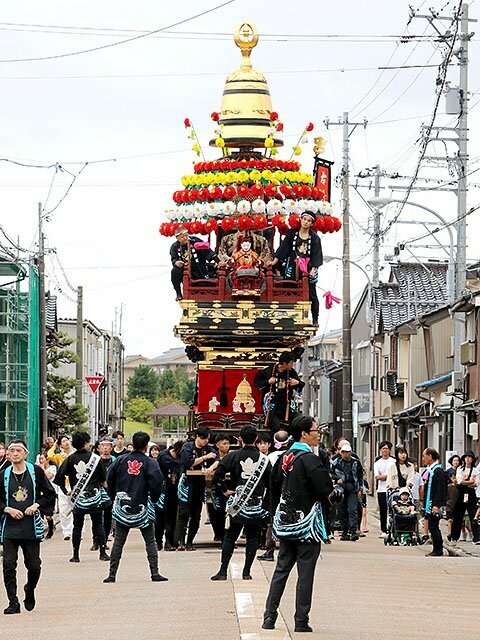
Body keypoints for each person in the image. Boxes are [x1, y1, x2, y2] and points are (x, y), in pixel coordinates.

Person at [262, 416, 332, 633]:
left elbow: (272, 491)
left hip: (285, 524)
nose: (318, 433)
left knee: (281, 570)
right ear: (304, 433)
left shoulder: (284, 457)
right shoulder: (310, 460)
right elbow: (325, 489)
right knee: (305, 573)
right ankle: (301, 621)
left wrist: (275, 520)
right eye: (315, 430)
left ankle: (269, 617)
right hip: (307, 527)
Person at [103, 431, 166, 583]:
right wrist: (155, 499)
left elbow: (109, 478)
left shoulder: (120, 460)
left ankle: (112, 574)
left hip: (122, 504)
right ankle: (154, 572)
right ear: (146, 446)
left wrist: (114, 496)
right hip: (142, 504)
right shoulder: (151, 463)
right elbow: (158, 482)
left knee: (119, 541)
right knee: (150, 540)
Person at [0, 440, 56, 614]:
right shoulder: (3, 475)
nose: (15, 454)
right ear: (7, 455)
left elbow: (49, 494)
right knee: (8, 565)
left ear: (26, 453)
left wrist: (36, 505)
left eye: (18, 450)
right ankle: (13, 602)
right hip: (9, 526)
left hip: (30, 526)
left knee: (34, 566)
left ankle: (29, 589)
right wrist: (7, 509)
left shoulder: (36, 472)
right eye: (11, 451)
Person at [211, 426, 270, 581]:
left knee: (231, 536)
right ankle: (246, 572)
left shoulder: (233, 456)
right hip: (256, 503)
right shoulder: (264, 460)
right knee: (253, 537)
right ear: (256, 439)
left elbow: (217, 476)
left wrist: (224, 490)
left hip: (239, 504)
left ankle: (223, 571)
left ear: (240, 439)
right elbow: (272, 483)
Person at [54, 431, 109, 563]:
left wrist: (66, 490)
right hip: (94, 497)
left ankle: (76, 554)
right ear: (85, 443)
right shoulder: (96, 458)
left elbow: (59, 477)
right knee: (98, 524)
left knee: (77, 525)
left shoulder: (70, 459)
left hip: (78, 497)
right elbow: (103, 479)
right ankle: (102, 552)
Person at [268, 211, 323, 325]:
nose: (306, 222)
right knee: (287, 289)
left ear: (311, 223)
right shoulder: (292, 233)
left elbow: (316, 255)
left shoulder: (314, 238)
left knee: (311, 293)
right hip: (292, 265)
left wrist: (313, 269)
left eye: (309, 221)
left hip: (307, 268)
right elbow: (283, 248)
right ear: (301, 219)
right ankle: (286, 318)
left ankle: (315, 319)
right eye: (304, 219)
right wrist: (274, 261)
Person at [177, 427, 216, 550]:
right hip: (187, 483)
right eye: (204, 438)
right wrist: (205, 458)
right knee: (184, 513)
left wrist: (212, 467)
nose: (205, 441)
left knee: (196, 514)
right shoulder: (187, 447)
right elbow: (188, 462)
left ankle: (190, 542)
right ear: (197, 436)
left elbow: (218, 459)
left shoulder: (208, 449)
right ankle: (181, 541)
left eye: (207, 439)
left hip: (200, 482)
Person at [258, 430, 291, 562]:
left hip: (273, 494)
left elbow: (267, 478)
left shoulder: (270, 457)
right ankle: (285, 551)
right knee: (287, 521)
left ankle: (269, 551)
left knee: (271, 523)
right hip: (289, 493)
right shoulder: (293, 455)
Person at [254, 351, 304, 432]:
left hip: (287, 405)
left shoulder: (291, 372)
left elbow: (300, 385)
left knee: (298, 421)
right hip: (273, 406)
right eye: (291, 363)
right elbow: (258, 383)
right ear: (284, 363)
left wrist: (297, 383)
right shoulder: (269, 371)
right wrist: (268, 382)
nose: (292, 365)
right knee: (275, 426)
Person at [170, 225, 218, 300]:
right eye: (182, 237)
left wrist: (218, 261)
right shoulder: (175, 246)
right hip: (185, 271)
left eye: (186, 235)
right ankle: (178, 293)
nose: (185, 238)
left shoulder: (195, 241)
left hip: (199, 270)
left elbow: (208, 252)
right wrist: (177, 263)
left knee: (205, 287)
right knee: (174, 271)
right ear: (177, 238)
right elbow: (174, 259)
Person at [331, 443, 364, 541]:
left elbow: (360, 476)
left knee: (353, 509)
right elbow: (331, 473)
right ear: (341, 453)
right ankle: (344, 531)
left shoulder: (356, 462)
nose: (345, 454)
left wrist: (360, 489)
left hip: (352, 487)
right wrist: (337, 479)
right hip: (340, 488)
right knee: (342, 510)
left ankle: (353, 531)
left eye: (348, 452)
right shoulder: (336, 462)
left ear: (350, 453)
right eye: (344, 452)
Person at [157, 441, 184, 551]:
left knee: (172, 516)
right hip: (161, 490)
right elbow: (178, 465)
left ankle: (170, 541)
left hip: (174, 490)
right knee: (159, 518)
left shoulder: (177, 459)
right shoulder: (163, 456)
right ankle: (158, 541)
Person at [47, 435, 74, 541]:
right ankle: (67, 532)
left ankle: (77, 530)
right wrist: (54, 445)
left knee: (76, 508)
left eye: (67, 440)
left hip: (74, 483)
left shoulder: (74, 454)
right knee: (63, 508)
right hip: (63, 484)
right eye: (63, 441)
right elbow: (49, 455)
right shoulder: (59, 456)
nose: (66, 442)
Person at [422, 448, 447, 557]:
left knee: (433, 525)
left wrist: (436, 505)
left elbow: (440, 489)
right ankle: (436, 548)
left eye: (424, 456)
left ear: (430, 457)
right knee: (432, 525)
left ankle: (438, 549)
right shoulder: (431, 470)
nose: (423, 459)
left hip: (434, 503)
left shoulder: (438, 471)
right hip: (430, 502)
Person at [451, 450, 479, 544]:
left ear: (473, 459)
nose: (467, 459)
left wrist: (467, 482)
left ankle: (477, 537)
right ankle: (454, 536)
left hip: (471, 494)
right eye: (466, 457)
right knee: (458, 514)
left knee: (473, 515)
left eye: (470, 457)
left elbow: (476, 483)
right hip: (461, 493)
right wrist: (469, 482)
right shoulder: (460, 469)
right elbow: (459, 481)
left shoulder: (475, 470)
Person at [207, 434, 231, 543]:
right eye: (224, 443)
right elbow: (216, 463)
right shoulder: (213, 456)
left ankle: (226, 536)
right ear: (217, 445)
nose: (226, 446)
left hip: (229, 487)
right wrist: (211, 467)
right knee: (214, 513)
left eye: (228, 444)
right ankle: (218, 533)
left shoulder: (232, 455)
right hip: (214, 487)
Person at [373, 441, 396, 537]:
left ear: (390, 450)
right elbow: (377, 476)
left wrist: (386, 476)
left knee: (393, 509)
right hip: (381, 489)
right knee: (383, 510)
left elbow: (395, 475)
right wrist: (388, 476)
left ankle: (393, 529)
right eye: (383, 448)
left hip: (393, 488)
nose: (385, 450)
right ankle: (383, 530)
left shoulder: (394, 462)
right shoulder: (377, 463)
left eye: (386, 448)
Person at [37, 453, 57, 539]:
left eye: (42, 459)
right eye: (39, 459)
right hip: (40, 494)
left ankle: (51, 530)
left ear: (47, 460)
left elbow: (48, 476)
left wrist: (41, 468)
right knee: (39, 515)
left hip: (49, 494)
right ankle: (40, 532)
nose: (41, 461)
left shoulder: (52, 468)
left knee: (48, 516)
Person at [445, 454, 461, 541]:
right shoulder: (448, 471)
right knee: (449, 519)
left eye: (457, 460)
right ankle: (449, 533)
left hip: (457, 503)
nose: (456, 462)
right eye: (454, 460)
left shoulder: (461, 470)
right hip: (449, 504)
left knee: (456, 519)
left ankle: (455, 534)